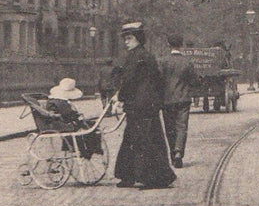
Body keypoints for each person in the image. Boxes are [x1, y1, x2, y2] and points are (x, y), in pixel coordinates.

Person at [111, 22, 176, 189]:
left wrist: (120, 96)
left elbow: (129, 81)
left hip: (139, 105)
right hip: (148, 105)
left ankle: (154, 178)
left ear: (138, 39)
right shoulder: (147, 56)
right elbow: (158, 80)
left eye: (130, 38)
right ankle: (130, 176)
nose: (126, 41)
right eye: (125, 38)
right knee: (137, 138)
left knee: (143, 140)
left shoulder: (135, 57)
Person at [160, 35, 198, 168]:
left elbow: (158, 81)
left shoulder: (163, 61)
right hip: (183, 99)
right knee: (182, 127)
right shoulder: (187, 62)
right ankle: (178, 152)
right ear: (181, 45)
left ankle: (172, 153)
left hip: (167, 100)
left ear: (168, 44)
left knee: (169, 128)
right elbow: (194, 81)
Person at [44, 78, 102, 159]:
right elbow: (62, 114)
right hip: (62, 123)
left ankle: (89, 147)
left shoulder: (57, 101)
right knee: (88, 127)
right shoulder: (59, 102)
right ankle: (89, 148)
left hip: (63, 121)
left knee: (88, 125)